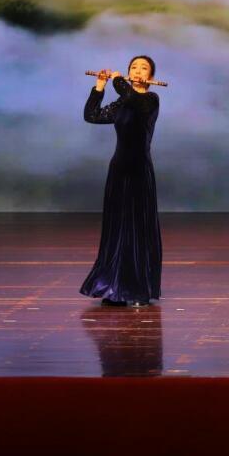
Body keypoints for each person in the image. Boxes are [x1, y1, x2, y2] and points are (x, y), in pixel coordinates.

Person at [80, 56, 162, 307]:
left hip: (139, 170)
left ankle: (138, 290)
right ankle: (114, 288)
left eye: (143, 68)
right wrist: (99, 87)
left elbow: (132, 98)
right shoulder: (123, 101)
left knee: (137, 230)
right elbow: (92, 116)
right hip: (118, 170)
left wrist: (117, 81)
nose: (137, 71)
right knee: (117, 229)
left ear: (150, 77)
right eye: (133, 67)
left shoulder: (149, 100)